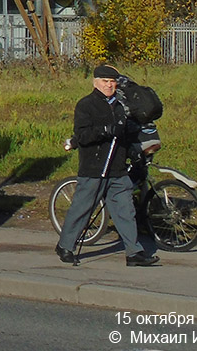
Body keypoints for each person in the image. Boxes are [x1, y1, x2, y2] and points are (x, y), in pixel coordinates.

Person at [54, 63, 160, 267]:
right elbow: (82, 135)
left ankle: (134, 252)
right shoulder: (86, 105)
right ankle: (65, 246)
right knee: (82, 209)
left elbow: (124, 136)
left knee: (125, 210)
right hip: (94, 168)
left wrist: (134, 151)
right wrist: (106, 129)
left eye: (112, 82)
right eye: (105, 81)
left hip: (117, 169)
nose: (109, 85)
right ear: (96, 83)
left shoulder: (120, 107)